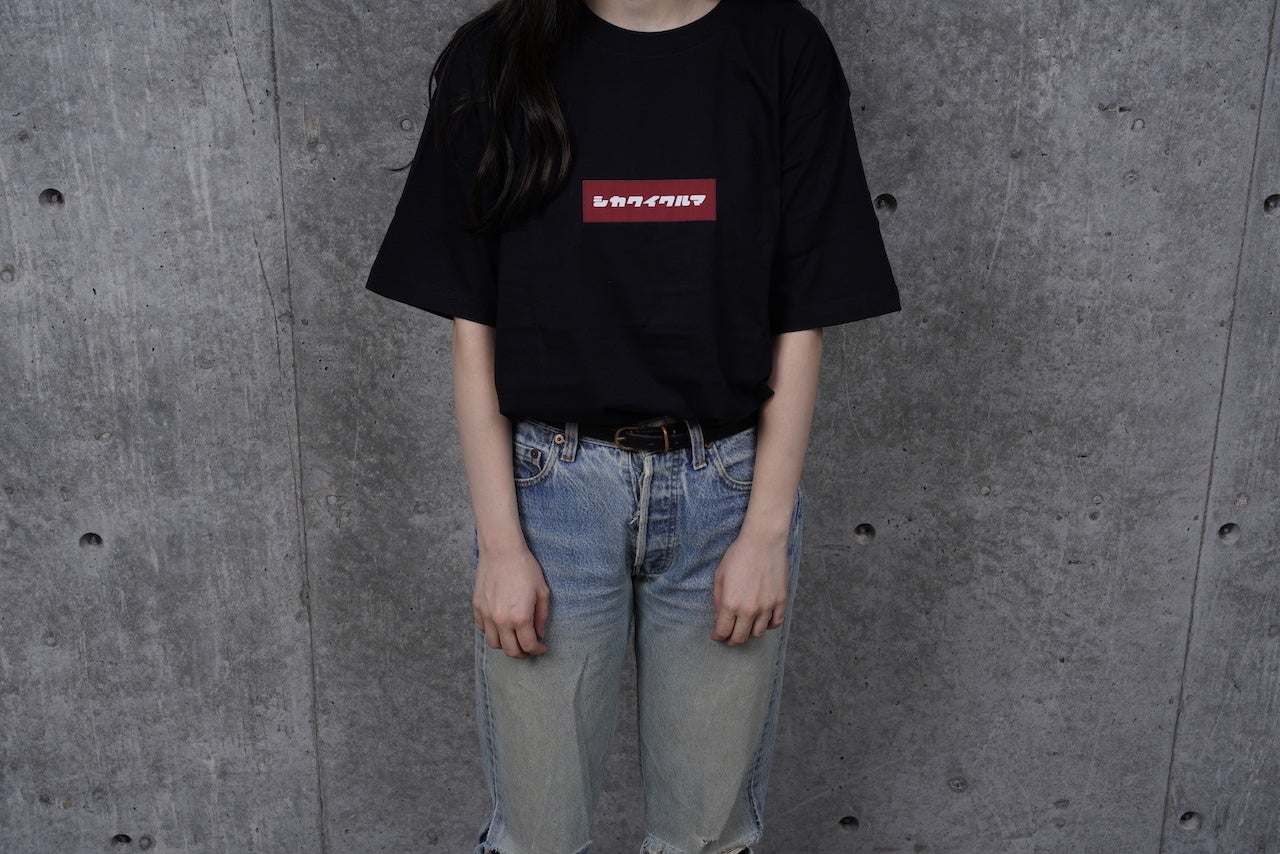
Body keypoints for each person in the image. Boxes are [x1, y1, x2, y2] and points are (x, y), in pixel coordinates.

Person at [364, 0, 900, 850]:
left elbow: (802, 316)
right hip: (550, 501)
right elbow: (474, 333)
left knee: (707, 840)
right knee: (538, 839)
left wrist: (765, 533)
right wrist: (501, 548)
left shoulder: (781, 47)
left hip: (726, 496)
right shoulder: (497, 56)